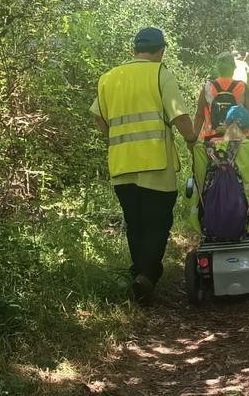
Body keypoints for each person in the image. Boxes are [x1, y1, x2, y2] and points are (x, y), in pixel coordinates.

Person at [90, 27, 197, 304]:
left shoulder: (109, 78)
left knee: (135, 223)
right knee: (158, 222)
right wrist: (193, 138)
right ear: (161, 50)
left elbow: (98, 119)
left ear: (133, 49)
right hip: (155, 167)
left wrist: (116, 137)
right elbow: (179, 116)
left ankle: (139, 277)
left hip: (121, 165)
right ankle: (147, 275)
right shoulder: (160, 73)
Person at [194, 52, 249, 140]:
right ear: (234, 67)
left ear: (217, 68)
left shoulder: (208, 87)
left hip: (212, 139)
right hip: (239, 139)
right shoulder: (242, 87)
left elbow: (199, 115)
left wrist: (193, 140)